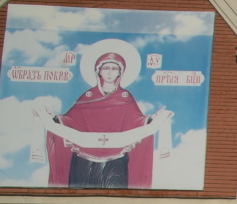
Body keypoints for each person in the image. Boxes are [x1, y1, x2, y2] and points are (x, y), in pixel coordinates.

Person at [41, 49, 171, 189]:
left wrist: (152, 119)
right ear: (99, 71)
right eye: (106, 68)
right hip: (84, 159)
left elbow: (136, 122)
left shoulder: (125, 98)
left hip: (115, 160)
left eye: (114, 68)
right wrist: (53, 117)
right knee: (80, 198)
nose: (110, 72)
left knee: (115, 198)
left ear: (120, 73)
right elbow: (71, 120)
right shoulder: (88, 97)